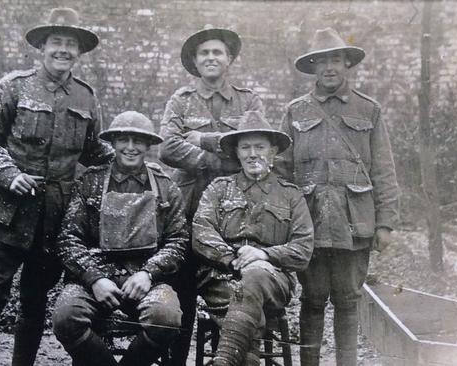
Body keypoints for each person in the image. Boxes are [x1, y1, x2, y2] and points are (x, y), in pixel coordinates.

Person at [0, 8, 113, 366]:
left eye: (71, 44)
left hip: (53, 220)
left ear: (79, 53)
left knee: (34, 304)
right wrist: (9, 173)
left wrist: (132, 161)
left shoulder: (86, 97)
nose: (63, 50)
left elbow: (97, 153)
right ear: (42, 47)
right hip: (2, 216)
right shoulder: (15, 86)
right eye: (57, 42)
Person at [278, 28, 399, 366]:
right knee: (313, 299)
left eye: (335, 59)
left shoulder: (368, 110)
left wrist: (386, 223)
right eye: (321, 61)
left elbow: (385, 171)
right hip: (309, 221)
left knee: (348, 299)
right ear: (313, 67)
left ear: (347, 63)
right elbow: (282, 171)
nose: (329, 67)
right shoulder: (294, 112)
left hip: (354, 223)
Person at [158, 26, 264, 365]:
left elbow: (255, 147)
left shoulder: (248, 100)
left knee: (229, 291)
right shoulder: (181, 100)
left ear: (229, 59)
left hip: (234, 211)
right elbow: (168, 147)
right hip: (187, 209)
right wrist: (215, 158)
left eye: (217, 52)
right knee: (182, 291)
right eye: (204, 53)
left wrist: (200, 139)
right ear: (194, 61)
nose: (211, 58)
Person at [52, 111, 188, 366]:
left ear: (148, 145)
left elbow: (178, 241)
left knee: (166, 318)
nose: (130, 147)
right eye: (123, 140)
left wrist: (148, 273)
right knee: (65, 317)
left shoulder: (166, 187)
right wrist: (94, 279)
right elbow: (68, 239)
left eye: (138, 141)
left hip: (146, 280)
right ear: (113, 143)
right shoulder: (90, 182)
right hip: (95, 277)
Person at [193, 110, 314, 366]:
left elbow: (303, 248)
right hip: (221, 278)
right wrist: (231, 259)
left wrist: (264, 255)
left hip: (272, 280)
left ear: (273, 152)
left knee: (256, 275)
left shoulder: (291, 195)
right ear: (237, 153)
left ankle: (224, 359)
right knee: (248, 307)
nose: (252, 153)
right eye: (245, 147)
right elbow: (201, 232)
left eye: (259, 146)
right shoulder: (218, 189)